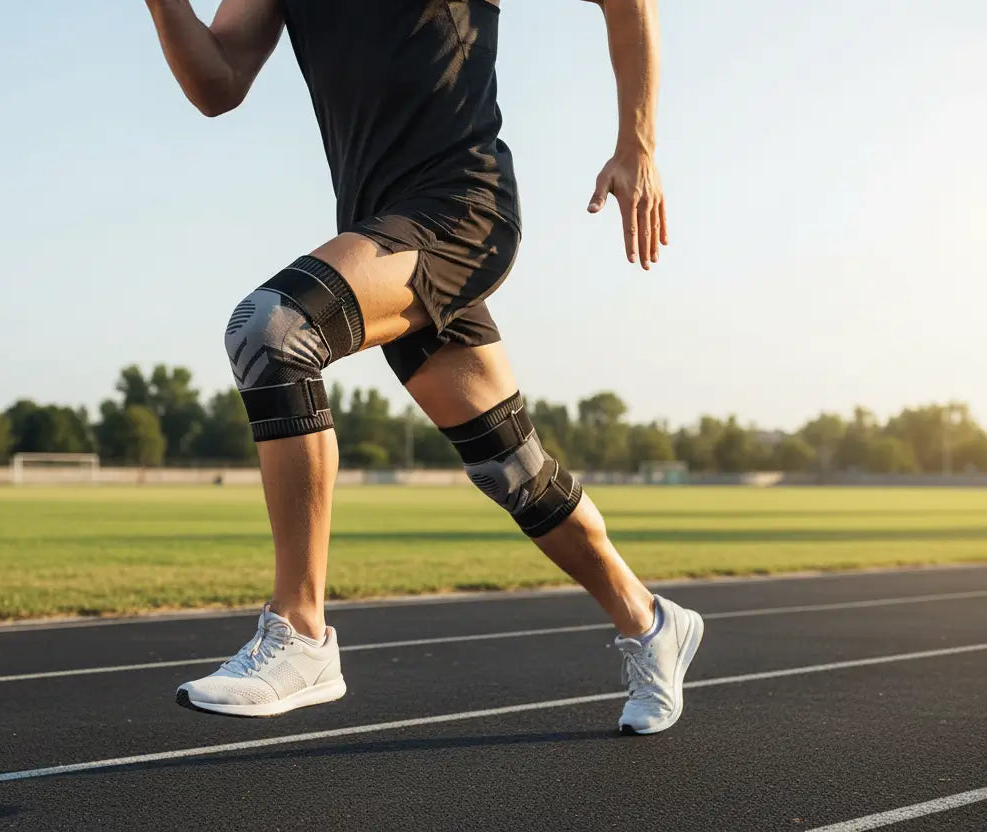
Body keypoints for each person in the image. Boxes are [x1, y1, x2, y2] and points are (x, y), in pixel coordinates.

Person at [146, 0, 703, 734]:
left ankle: (301, 633)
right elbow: (218, 83)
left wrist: (638, 143)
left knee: (273, 330)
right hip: (380, 230)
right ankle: (652, 620)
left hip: (462, 207)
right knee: (516, 472)